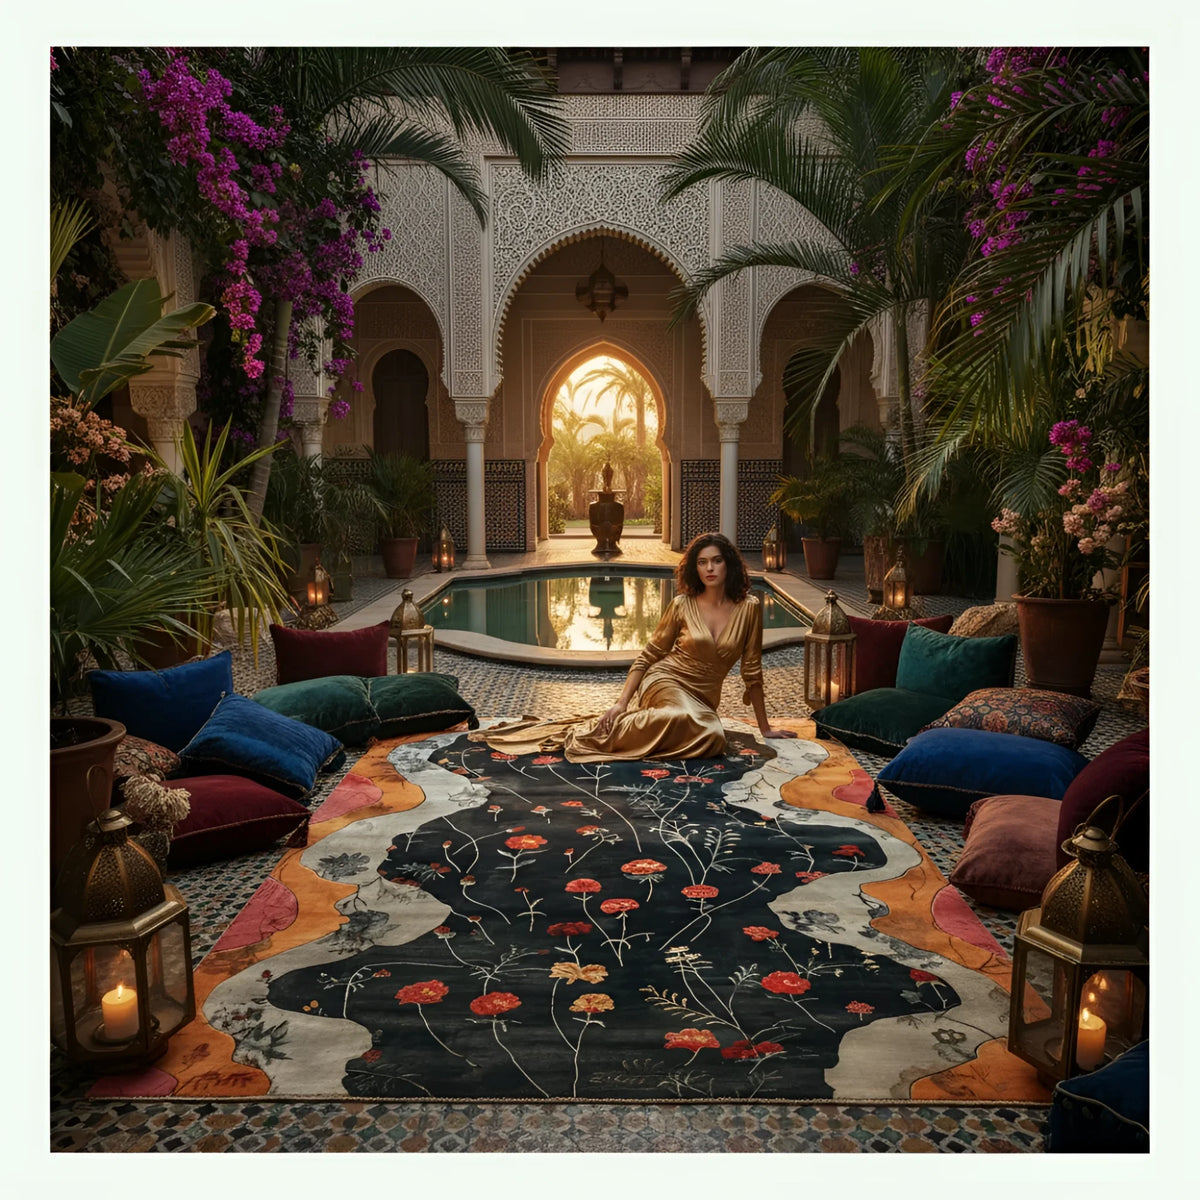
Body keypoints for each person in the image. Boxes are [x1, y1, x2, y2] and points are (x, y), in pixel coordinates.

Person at [472, 532, 797, 762]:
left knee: (711, 736)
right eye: (702, 563)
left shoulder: (749, 608)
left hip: (704, 697)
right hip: (666, 681)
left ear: (729, 566)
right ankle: (592, 734)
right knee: (696, 725)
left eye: (716, 561)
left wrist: (765, 728)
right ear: (695, 568)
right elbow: (649, 656)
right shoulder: (683, 604)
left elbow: (752, 670)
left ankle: (628, 731)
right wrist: (621, 703)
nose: (709, 569)